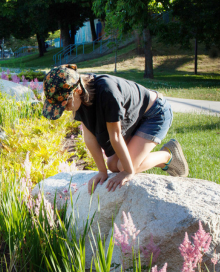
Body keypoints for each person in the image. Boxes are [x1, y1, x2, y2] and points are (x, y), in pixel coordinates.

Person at [42, 64, 189, 193]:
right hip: (133, 116)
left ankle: (167, 155)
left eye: (65, 104)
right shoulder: (79, 100)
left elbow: (116, 136)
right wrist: (102, 171)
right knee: (112, 165)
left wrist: (128, 172)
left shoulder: (107, 92)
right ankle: (146, 160)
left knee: (123, 166)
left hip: (154, 114)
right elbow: (89, 138)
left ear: (78, 91)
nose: (65, 109)